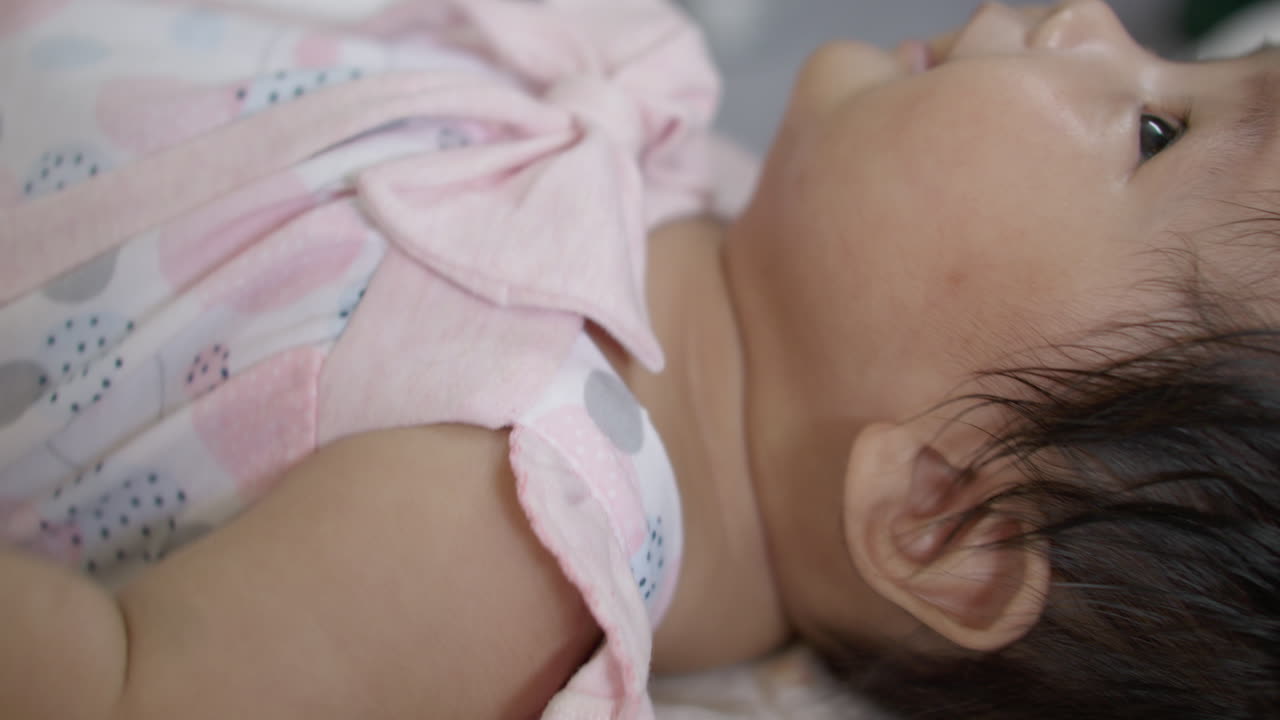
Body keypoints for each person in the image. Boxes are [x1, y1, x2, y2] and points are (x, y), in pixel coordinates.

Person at [0, 0, 1275, 718]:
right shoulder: (688, 187)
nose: (1081, 18)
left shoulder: (513, 526)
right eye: (1177, 57)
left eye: (1152, 130)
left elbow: (114, 694)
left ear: (948, 518)